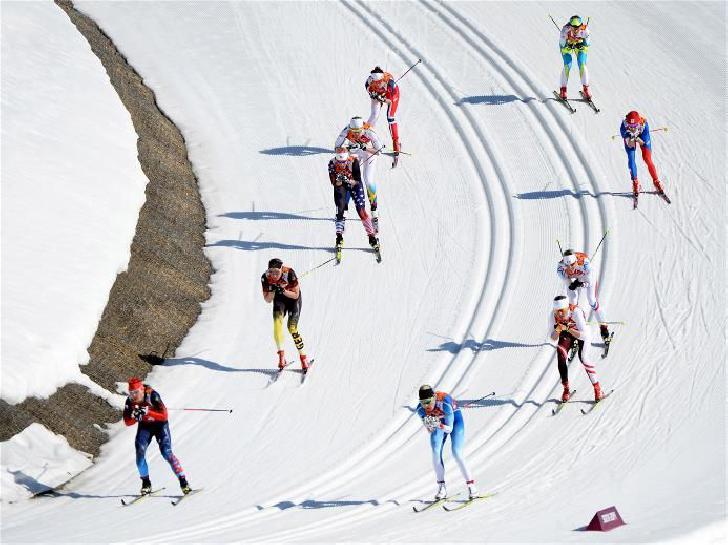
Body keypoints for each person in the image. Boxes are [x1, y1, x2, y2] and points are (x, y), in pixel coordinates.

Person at [123, 377, 191, 495]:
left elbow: (164, 416)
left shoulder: (152, 395)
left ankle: (183, 481)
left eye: (136, 392)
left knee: (166, 452)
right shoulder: (129, 401)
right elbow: (127, 422)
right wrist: (134, 416)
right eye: (131, 393)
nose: (134, 395)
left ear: (142, 389)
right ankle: (146, 483)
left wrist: (148, 412)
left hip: (160, 426)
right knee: (140, 455)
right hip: (145, 427)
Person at [416, 385, 477, 500]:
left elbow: (450, 429)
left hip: (454, 421)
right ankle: (441, 487)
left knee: (456, 452)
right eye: (422, 402)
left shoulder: (445, 402)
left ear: (433, 398)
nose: (426, 406)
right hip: (439, 423)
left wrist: (437, 423)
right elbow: (430, 430)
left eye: (428, 402)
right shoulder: (420, 409)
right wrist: (431, 425)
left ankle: (471, 486)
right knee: (435, 450)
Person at [334, 116, 384, 233]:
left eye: (358, 132)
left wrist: (365, 147)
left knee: (368, 180)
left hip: (368, 154)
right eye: (353, 132)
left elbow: (379, 151)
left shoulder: (369, 131)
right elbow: (336, 147)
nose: (355, 134)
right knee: (348, 180)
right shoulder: (346, 130)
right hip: (355, 153)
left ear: (362, 128)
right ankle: (342, 214)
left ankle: (374, 213)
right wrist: (347, 148)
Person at [550, 296, 604, 402]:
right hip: (567, 332)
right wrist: (557, 330)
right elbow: (552, 338)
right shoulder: (553, 315)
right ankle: (566, 389)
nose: (560, 315)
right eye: (557, 312)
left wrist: (568, 328)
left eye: (563, 311)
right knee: (560, 353)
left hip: (581, 333)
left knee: (583, 358)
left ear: (568, 309)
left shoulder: (576, 313)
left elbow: (584, 336)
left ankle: (597, 389)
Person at [328, 147, 379, 257]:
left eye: (343, 162)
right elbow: (334, 182)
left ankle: (372, 236)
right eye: (339, 162)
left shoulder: (353, 161)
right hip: (341, 185)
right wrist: (339, 180)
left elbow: (357, 181)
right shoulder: (332, 163)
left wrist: (347, 179)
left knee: (361, 211)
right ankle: (339, 237)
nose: (341, 165)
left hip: (354, 185)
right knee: (340, 209)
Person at [261, 258, 309, 372]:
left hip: (293, 300)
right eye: (271, 272)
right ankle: (281, 358)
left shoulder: (290, 273)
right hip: (279, 300)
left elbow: (296, 295)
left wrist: (283, 291)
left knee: (292, 328)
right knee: (277, 325)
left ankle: (303, 358)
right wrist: (272, 290)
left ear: (282, 270)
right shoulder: (265, 278)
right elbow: (267, 299)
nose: (273, 275)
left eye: (277, 272)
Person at [556, 248, 610, 342]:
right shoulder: (561, 269)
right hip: (574, 278)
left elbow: (589, 282)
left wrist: (579, 283)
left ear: (576, 261)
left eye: (572, 265)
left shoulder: (585, 262)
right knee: (572, 302)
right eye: (567, 266)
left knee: (592, 300)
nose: (570, 268)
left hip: (586, 277)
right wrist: (573, 284)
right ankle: (575, 330)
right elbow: (568, 283)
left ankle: (604, 328)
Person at [620, 110, 665, 204]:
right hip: (630, 137)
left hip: (642, 137)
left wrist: (638, 139)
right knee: (631, 159)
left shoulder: (644, 124)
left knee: (647, 158)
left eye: (634, 125)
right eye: (630, 125)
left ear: (639, 122)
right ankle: (635, 183)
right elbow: (625, 136)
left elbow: (644, 143)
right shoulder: (624, 125)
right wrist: (631, 137)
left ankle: (656, 181)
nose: (632, 127)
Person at [364, 66, 401, 166]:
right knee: (374, 115)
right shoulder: (369, 81)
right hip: (379, 95)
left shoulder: (390, 83)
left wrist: (383, 99)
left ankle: (396, 144)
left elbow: (391, 101)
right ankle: (366, 137)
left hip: (391, 96)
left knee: (390, 117)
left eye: (379, 82)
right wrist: (374, 95)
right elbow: (368, 90)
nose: (378, 83)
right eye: (375, 82)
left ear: (382, 78)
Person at [558, 15, 591, 100]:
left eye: (578, 27)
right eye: (573, 27)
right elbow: (562, 45)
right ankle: (563, 89)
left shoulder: (585, 31)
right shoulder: (565, 31)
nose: (576, 29)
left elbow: (587, 45)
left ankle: (586, 89)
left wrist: (579, 43)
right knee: (568, 64)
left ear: (581, 26)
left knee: (582, 63)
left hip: (580, 47)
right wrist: (569, 44)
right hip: (567, 47)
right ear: (570, 26)